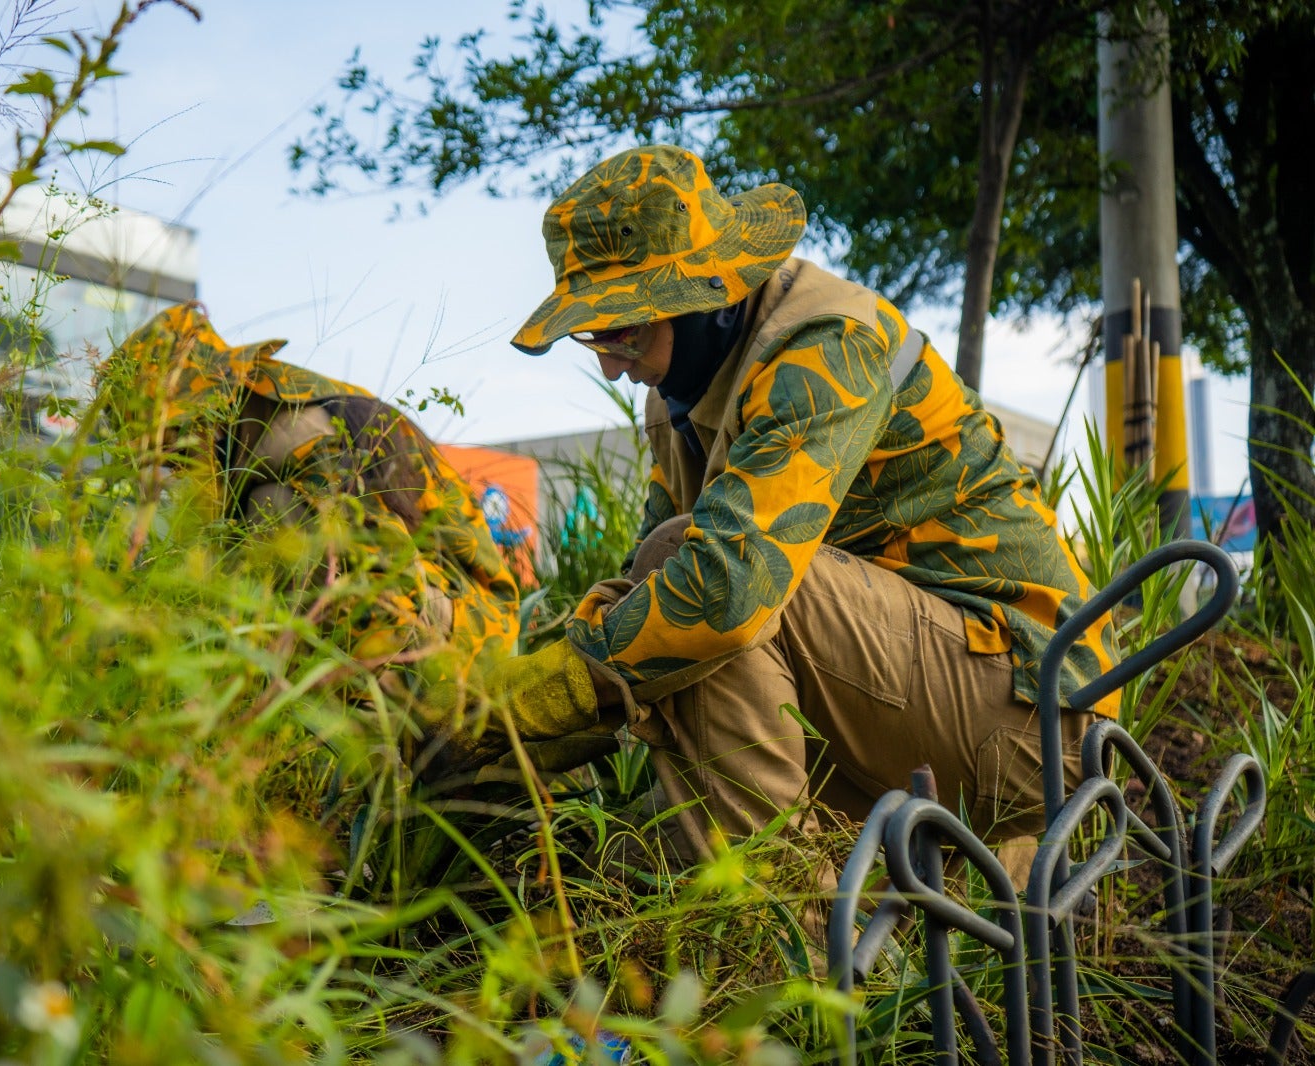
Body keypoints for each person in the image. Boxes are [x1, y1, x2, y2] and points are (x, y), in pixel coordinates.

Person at [422, 144, 1120, 876]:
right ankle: (813, 916)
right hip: (914, 705)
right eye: (592, 333)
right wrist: (512, 718)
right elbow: (645, 606)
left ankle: (776, 945)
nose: (608, 361)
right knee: (665, 596)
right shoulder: (679, 403)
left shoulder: (824, 348)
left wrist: (550, 690)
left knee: (697, 574)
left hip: (1034, 719)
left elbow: (722, 591)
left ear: (710, 292)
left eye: (623, 328)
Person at [99, 302, 522, 693]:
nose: (173, 461)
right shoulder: (245, 434)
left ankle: (382, 749)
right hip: (423, 614)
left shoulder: (304, 431)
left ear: (208, 406)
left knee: (274, 509)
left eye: (172, 441)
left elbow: (385, 590)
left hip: (473, 631)